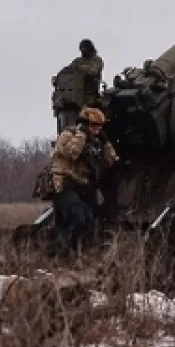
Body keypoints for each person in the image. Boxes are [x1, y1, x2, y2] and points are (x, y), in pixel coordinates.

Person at [48, 106, 118, 256]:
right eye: (93, 126)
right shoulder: (68, 135)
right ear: (85, 124)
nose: (97, 130)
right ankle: (58, 250)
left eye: (100, 126)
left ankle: (74, 252)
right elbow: (72, 153)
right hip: (65, 184)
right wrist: (82, 135)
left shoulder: (97, 141)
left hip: (83, 186)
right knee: (78, 217)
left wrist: (105, 143)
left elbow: (110, 161)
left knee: (89, 219)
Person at [51, 39, 104, 132]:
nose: (83, 51)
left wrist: (79, 69)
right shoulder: (78, 61)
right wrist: (58, 78)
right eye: (82, 49)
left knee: (90, 116)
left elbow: (93, 71)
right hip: (77, 94)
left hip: (90, 95)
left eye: (85, 49)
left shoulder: (97, 60)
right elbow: (67, 70)